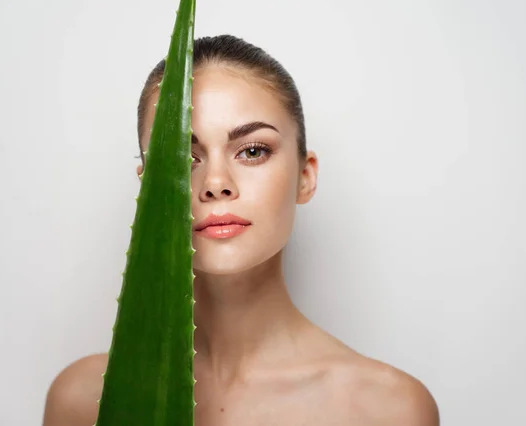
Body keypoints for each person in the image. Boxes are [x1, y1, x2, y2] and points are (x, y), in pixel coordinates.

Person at [42, 34, 440, 426]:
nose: (216, 182)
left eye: (252, 151)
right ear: (146, 186)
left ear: (305, 176)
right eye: (182, 156)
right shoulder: (82, 401)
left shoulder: (388, 411)